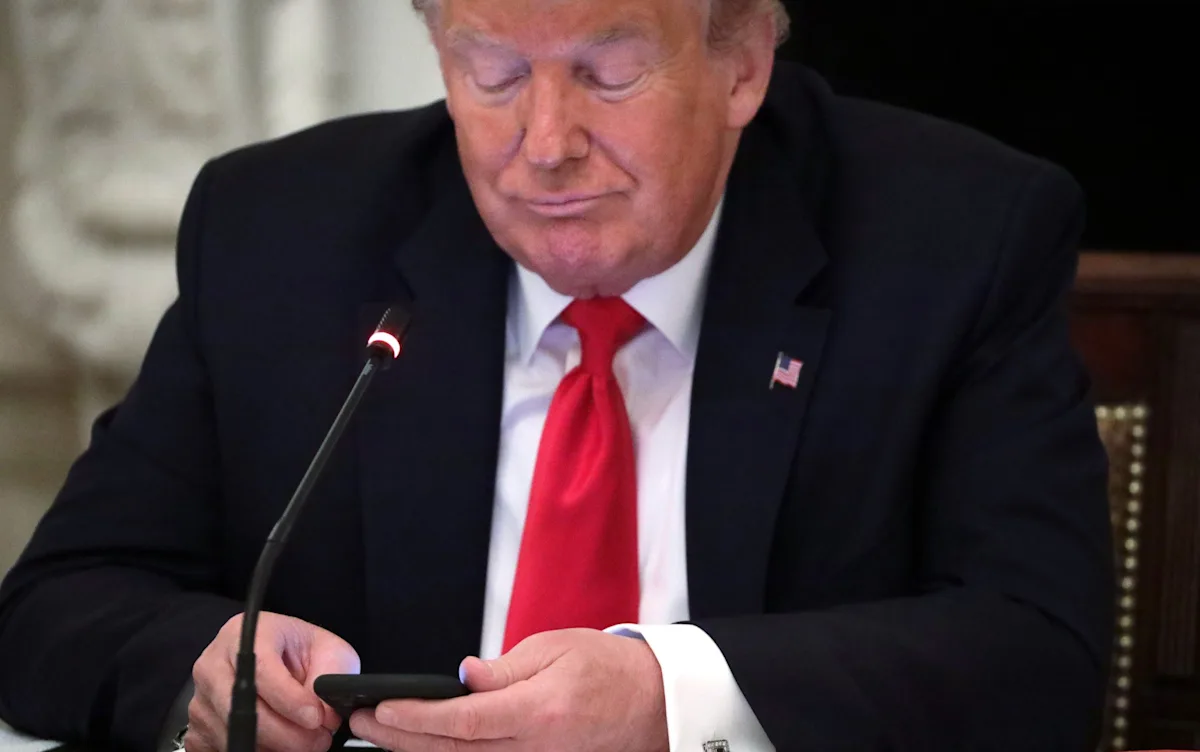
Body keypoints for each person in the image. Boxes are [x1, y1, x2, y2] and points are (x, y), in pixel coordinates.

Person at [0, 0, 1113, 750]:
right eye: (492, 72)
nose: (544, 140)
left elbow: (1037, 651)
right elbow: (54, 604)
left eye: (608, 72)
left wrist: (666, 698)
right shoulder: (281, 234)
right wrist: (201, 662)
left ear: (743, 66)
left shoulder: (954, 236)